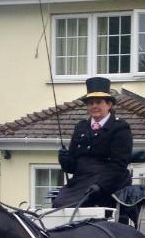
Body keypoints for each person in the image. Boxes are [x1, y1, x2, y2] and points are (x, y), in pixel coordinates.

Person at [52, 77, 132, 208]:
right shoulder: (81, 127)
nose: (94, 106)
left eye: (98, 102)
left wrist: (100, 185)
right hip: (80, 181)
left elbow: (119, 165)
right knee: (58, 205)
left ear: (109, 105)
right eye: (90, 103)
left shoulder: (120, 128)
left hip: (106, 181)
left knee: (79, 206)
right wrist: (64, 160)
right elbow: (71, 167)